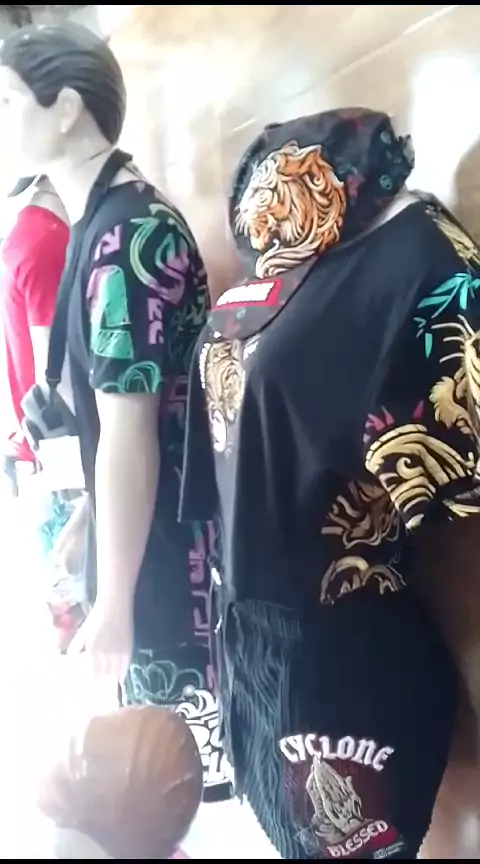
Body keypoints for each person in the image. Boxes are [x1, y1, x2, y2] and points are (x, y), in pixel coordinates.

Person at [179, 107, 480, 858]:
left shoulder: (425, 265)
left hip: (346, 653)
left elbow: (458, 521)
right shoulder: (280, 272)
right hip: (252, 628)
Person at [0, 22, 230, 799]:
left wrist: (116, 603)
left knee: (160, 771)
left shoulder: (126, 235)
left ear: (66, 108)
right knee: (146, 758)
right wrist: (85, 520)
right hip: (143, 529)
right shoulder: (101, 221)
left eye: (6, 100)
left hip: (167, 550)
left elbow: (133, 430)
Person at [0, 173, 86, 649]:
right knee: (77, 595)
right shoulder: (44, 239)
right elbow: (55, 380)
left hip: (40, 452)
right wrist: (84, 494)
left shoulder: (29, 234)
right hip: (59, 461)